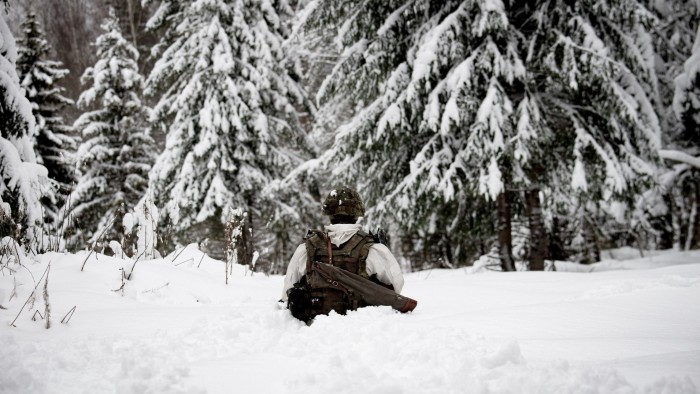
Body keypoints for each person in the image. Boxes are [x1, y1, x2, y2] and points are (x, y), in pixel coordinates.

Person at [281, 187, 405, 321]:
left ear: (329, 213)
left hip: (315, 330)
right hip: (361, 329)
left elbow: (286, 295)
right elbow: (396, 288)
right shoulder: (375, 249)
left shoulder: (306, 248)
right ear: (357, 214)